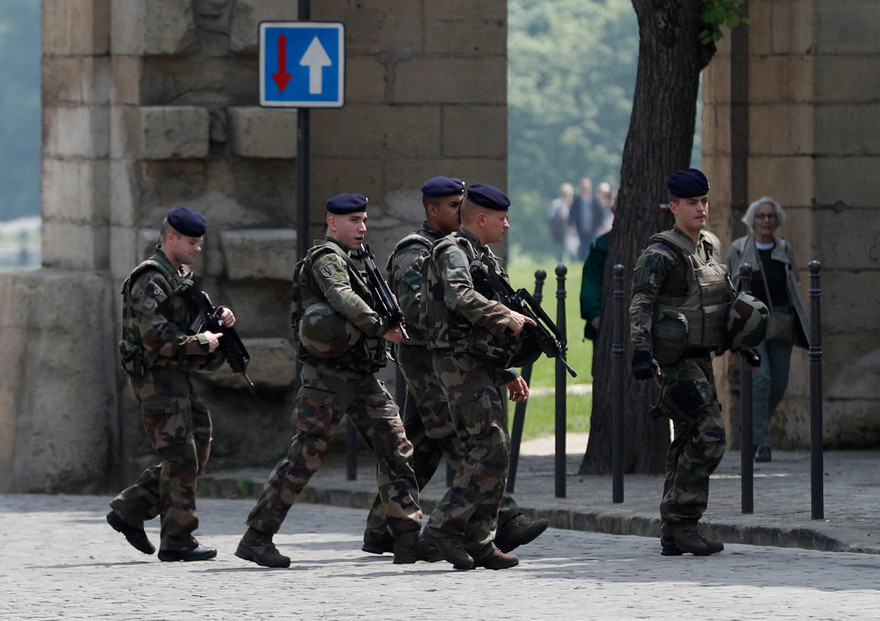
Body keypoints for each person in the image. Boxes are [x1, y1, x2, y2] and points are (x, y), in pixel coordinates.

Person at [234, 193, 437, 568]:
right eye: (354, 221)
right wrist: (381, 327)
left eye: (364, 220)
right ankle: (257, 537)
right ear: (332, 223)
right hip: (327, 378)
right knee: (305, 456)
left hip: (360, 375)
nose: (362, 227)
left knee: (396, 446)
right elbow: (340, 296)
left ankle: (407, 537)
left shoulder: (362, 260)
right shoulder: (326, 258)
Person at [361, 176, 549, 558]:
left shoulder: (468, 251)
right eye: (452, 205)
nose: (458, 210)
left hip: (454, 359)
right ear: (433, 209)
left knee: (421, 446)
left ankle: (385, 528)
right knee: (472, 440)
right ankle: (492, 522)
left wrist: (507, 367)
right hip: (429, 362)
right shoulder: (416, 252)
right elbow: (421, 315)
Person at [630, 168, 750, 557]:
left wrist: (743, 342)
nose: (700, 209)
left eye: (704, 202)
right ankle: (682, 521)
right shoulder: (660, 253)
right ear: (674, 207)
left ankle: (674, 530)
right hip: (674, 362)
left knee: (686, 440)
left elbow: (724, 302)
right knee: (711, 434)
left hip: (702, 358)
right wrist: (640, 351)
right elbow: (641, 303)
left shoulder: (711, 246)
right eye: (692, 203)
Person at [420, 183, 537, 570]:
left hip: (479, 362)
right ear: (482, 218)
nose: (507, 225)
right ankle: (442, 527)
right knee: (489, 443)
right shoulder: (450, 250)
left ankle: (481, 540)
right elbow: (458, 297)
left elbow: (481, 321)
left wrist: (504, 370)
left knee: (492, 449)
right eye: (501, 219)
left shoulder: (483, 256)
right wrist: (507, 317)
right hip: (456, 361)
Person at [108, 206, 233, 562]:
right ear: (171, 238)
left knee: (198, 445)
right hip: (156, 377)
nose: (197, 248)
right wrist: (199, 343)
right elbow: (154, 335)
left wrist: (218, 319)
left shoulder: (179, 276)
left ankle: (129, 509)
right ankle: (178, 539)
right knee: (180, 454)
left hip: (177, 375)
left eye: (200, 243)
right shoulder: (150, 278)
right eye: (191, 242)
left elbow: (189, 320)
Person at [725, 197, 809, 462]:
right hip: (750, 322)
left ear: (777, 221)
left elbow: (793, 287)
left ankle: (752, 425)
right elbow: (728, 286)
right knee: (760, 379)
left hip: (781, 320)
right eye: (761, 216)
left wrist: (803, 324)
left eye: (771, 216)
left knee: (779, 382)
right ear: (752, 220)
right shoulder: (738, 249)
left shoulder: (784, 249)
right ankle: (761, 442)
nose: (766, 221)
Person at [546, 181, 577, 262]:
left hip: (570, 232)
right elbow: (551, 218)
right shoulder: (557, 204)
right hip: (559, 232)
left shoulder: (573, 204)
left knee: (572, 251)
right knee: (560, 252)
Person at [569, 177, 597, 260]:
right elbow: (572, 214)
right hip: (580, 228)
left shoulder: (594, 200)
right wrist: (571, 226)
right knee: (582, 246)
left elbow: (599, 214)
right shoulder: (577, 200)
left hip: (592, 229)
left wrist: (599, 226)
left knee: (591, 245)